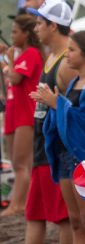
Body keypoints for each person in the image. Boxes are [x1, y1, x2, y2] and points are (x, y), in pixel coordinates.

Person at [32, 29, 85, 244]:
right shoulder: (76, 81)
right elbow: (66, 113)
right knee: (75, 220)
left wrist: (56, 103)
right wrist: (51, 102)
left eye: (72, 50)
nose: (67, 54)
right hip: (66, 155)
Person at [24, 0, 73, 243]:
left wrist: (55, 104)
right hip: (42, 145)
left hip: (57, 149)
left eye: (40, 23)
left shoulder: (67, 62)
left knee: (64, 217)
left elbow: (79, 110)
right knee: (34, 213)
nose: (36, 28)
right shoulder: (52, 56)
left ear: (53, 26)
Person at [0, 14, 43, 217]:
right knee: (16, 161)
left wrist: (7, 60)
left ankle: (18, 205)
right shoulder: (19, 57)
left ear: (26, 34)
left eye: (15, 31)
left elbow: (16, 77)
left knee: (20, 163)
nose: (12, 34)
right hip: (12, 112)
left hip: (25, 114)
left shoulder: (32, 53)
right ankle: (20, 203)